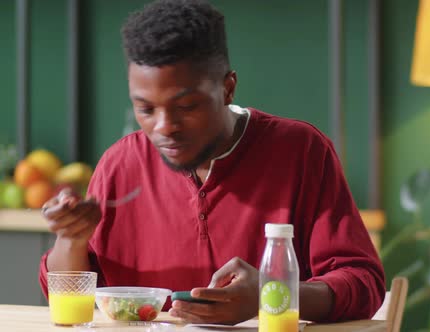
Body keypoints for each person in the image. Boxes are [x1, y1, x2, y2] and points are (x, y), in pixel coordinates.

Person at [38, 0, 385, 325]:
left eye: (187, 107)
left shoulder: (302, 151)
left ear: (228, 88)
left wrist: (270, 295)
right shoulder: (119, 163)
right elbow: (65, 294)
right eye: (145, 109)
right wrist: (71, 240)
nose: (164, 128)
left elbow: (363, 284)